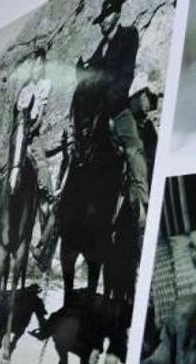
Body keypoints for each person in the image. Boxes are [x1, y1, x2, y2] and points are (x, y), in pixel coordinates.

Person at [88, 0, 147, 230]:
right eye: (101, 18)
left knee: (134, 148)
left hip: (121, 106)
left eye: (106, 16)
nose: (102, 21)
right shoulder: (100, 48)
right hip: (101, 111)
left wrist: (108, 103)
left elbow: (126, 75)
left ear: (116, 14)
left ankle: (144, 203)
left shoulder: (128, 36)